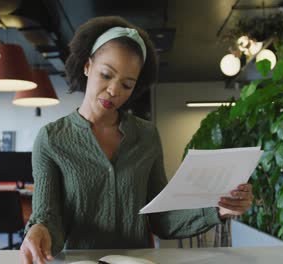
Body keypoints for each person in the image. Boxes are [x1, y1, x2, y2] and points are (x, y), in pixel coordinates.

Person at [20, 16, 253, 264]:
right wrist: (39, 230)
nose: (114, 91)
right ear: (87, 66)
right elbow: (48, 215)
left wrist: (218, 209)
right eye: (106, 74)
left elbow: (161, 219)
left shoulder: (147, 136)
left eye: (127, 84)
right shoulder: (51, 138)